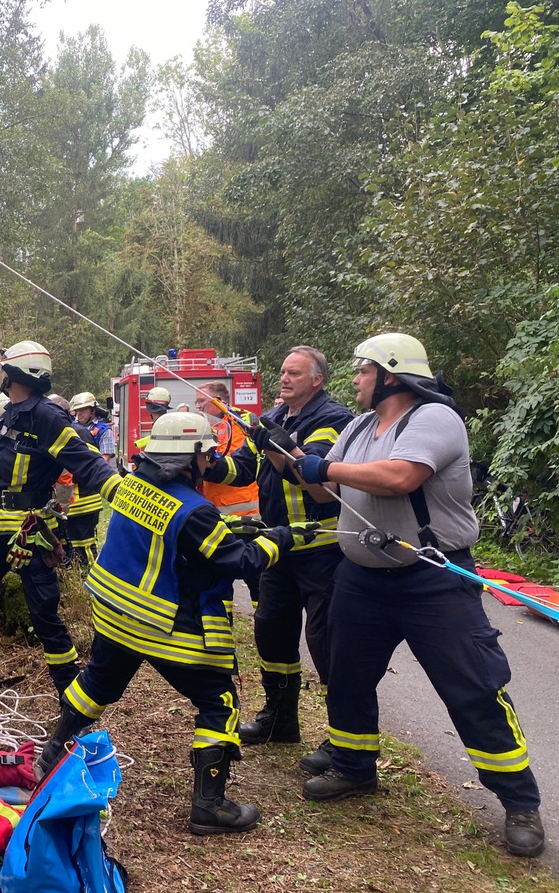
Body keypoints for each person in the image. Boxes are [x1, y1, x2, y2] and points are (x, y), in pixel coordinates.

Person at [292, 333, 546, 858]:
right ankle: (354, 767)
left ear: (390, 374)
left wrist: (325, 467)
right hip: (361, 579)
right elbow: (323, 490)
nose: (356, 380)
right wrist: (284, 454)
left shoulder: (435, 418)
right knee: (346, 675)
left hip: (432, 580)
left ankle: (519, 800)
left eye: (363, 370)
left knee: (473, 686)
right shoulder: (359, 427)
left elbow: (400, 476)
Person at [33, 412, 316, 834]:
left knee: (96, 685)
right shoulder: (195, 509)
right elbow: (238, 561)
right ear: (193, 456)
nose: (210, 463)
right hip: (164, 624)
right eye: (207, 455)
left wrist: (236, 528)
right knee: (219, 702)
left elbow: (177, 535)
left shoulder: (131, 487)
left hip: (115, 615)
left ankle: (51, 755)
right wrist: (280, 539)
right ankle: (210, 807)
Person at [0, 342, 121, 699]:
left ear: (19, 373)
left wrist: (127, 496)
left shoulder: (48, 416)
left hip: (29, 533)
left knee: (45, 616)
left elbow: (86, 461)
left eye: (6, 368)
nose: (2, 375)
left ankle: (72, 697)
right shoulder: (7, 417)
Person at [201, 346, 354, 774]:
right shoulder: (273, 417)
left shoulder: (333, 419)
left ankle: (341, 736)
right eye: (282, 372)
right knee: (271, 633)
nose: (284, 378)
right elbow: (243, 470)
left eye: (294, 373)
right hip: (279, 548)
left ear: (316, 380)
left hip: (322, 549)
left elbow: (310, 473)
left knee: (326, 643)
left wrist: (274, 441)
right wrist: (203, 464)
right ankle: (280, 718)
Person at [195, 382, 260, 516]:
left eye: (201, 401)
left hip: (243, 508)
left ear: (219, 401)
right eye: (196, 401)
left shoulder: (241, 422)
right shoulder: (204, 426)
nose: (197, 406)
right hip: (213, 504)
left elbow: (243, 463)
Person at [58, 393, 104, 567]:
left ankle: (90, 579)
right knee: (75, 546)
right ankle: (80, 577)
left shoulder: (79, 433)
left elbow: (92, 464)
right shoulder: (65, 432)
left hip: (85, 501)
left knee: (86, 546)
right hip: (71, 503)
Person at [71, 392, 115, 464]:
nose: (79, 413)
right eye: (77, 410)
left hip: (93, 472)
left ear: (93, 410)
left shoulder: (104, 431)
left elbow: (104, 460)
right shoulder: (71, 427)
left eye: (83, 409)